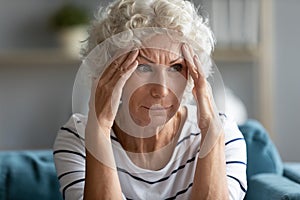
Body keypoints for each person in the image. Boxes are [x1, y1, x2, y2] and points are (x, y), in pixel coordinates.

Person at [53, 0, 247, 199]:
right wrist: (99, 130)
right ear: (109, 73)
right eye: (143, 67)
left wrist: (210, 132)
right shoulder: (79, 137)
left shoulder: (222, 133)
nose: (162, 90)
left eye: (176, 68)